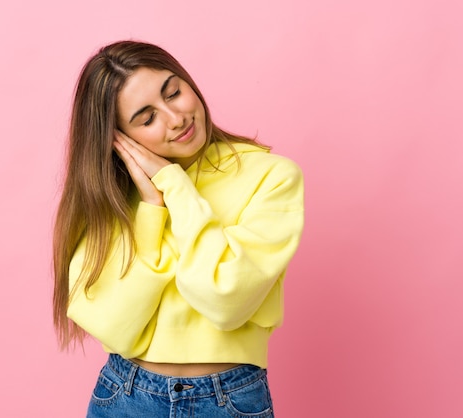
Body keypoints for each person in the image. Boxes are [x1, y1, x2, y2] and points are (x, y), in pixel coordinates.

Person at [52, 40, 304, 417]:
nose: (176, 118)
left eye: (174, 92)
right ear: (120, 138)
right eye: (147, 118)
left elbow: (225, 300)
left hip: (228, 399)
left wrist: (175, 185)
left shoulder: (271, 177)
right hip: (124, 393)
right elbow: (114, 327)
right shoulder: (115, 197)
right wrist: (152, 208)